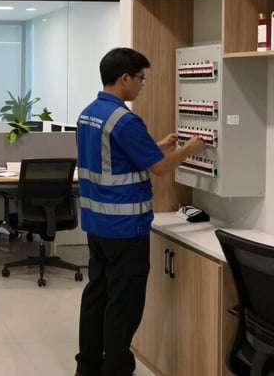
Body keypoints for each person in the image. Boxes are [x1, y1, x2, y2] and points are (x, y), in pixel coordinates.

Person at [74, 47, 204, 376]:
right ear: (125, 78)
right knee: (123, 305)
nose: (142, 85)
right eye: (141, 79)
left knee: (96, 295)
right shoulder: (125, 119)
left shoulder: (89, 113)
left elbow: (115, 156)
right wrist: (190, 149)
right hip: (125, 227)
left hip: (96, 223)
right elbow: (160, 169)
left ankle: (88, 366)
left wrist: (155, 145)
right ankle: (116, 369)